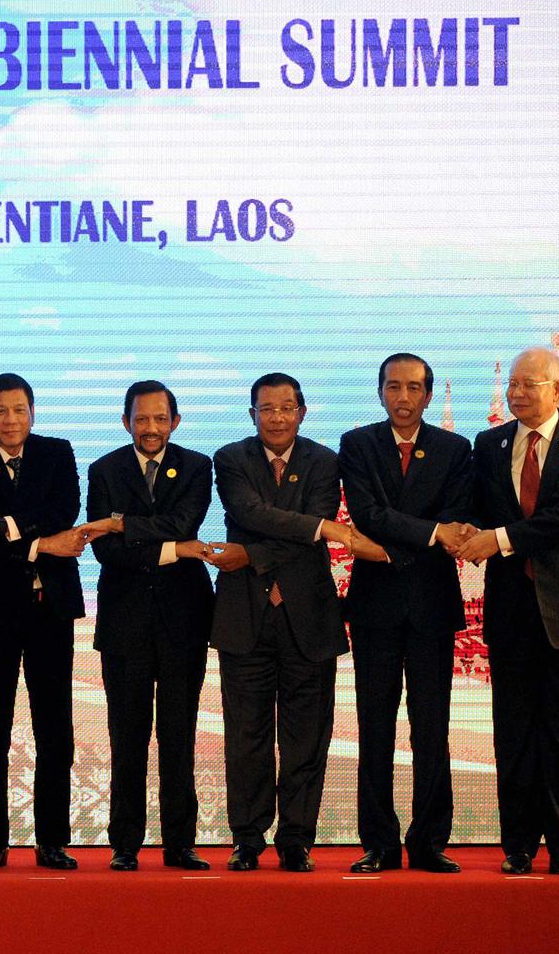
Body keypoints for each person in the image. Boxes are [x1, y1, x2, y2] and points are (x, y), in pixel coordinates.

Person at [209, 372, 385, 872]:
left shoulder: (325, 461)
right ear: (252, 416)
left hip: (308, 620)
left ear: (302, 413)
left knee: (307, 737)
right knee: (247, 737)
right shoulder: (231, 459)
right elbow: (250, 511)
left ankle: (296, 839)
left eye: (287, 408)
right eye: (267, 409)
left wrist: (252, 554)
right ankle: (247, 838)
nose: (278, 417)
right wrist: (325, 529)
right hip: (245, 619)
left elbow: (286, 525)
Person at [456, 347, 559, 876]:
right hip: (511, 612)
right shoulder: (491, 443)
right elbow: (474, 509)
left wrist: (496, 540)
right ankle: (517, 846)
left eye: (530, 384)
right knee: (514, 732)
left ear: (558, 390)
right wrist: (454, 531)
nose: (517, 393)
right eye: (513, 385)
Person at [0, 373, 87, 871]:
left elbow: (64, 510)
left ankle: (52, 839)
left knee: (55, 728)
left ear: (33, 412)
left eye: (19, 409)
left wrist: (4, 525)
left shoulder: (57, 452)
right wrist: (40, 541)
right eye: (0, 411)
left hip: (51, 609)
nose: (11, 420)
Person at [337, 353, 472, 874]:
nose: (404, 397)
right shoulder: (359, 444)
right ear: (380, 392)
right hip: (375, 607)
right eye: (394, 387)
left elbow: (458, 519)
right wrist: (432, 534)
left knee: (430, 727)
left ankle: (430, 841)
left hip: (433, 606)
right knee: (375, 728)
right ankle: (379, 843)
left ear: (428, 396)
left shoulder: (455, 449)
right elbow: (366, 514)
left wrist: (408, 540)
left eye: (414, 388)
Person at [81, 380, 217, 871]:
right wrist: (172, 549)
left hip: (184, 618)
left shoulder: (199, 466)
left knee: (179, 734)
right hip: (124, 621)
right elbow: (105, 551)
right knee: (127, 734)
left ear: (175, 422)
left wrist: (122, 523)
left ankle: (180, 843)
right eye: (142, 419)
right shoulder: (103, 470)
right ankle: (125, 844)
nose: (151, 428)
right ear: (126, 422)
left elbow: (186, 522)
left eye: (161, 419)